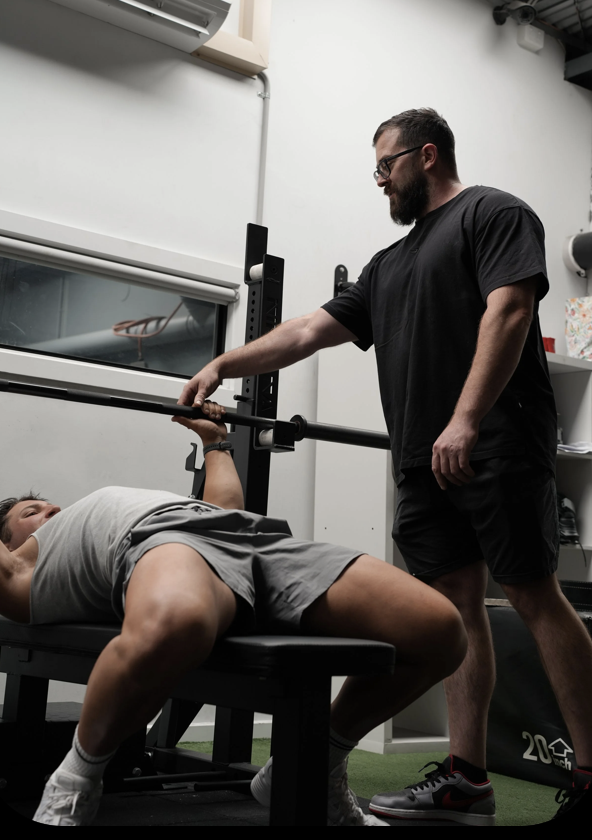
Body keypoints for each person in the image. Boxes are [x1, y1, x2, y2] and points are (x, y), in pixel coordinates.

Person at [178, 108, 592, 823]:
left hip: (495, 441)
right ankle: (467, 780)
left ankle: (590, 770)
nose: (380, 183)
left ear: (426, 156)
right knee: (453, 611)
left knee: (532, 593)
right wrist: (223, 363)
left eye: (385, 168)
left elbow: (511, 310)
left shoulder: (494, 213)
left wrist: (464, 419)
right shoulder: (389, 265)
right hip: (421, 462)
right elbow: (308, 330)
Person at [0, 402, 467, 827]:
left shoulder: (89, 512)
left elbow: (225, 507)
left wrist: (215, 441)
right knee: (178, 622)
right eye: (30, 511)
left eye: (47, 502)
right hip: (168, 543)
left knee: (440, 633)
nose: (53, 508)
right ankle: (72, 786)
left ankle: (310, 765)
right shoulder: (26, 569)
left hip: (256, 542)